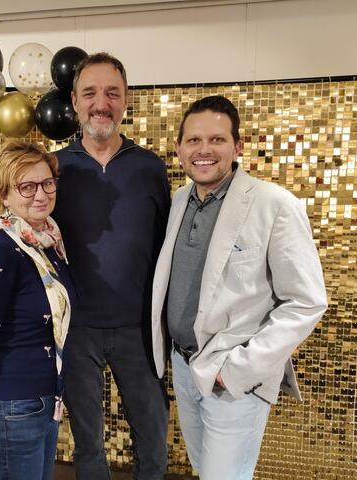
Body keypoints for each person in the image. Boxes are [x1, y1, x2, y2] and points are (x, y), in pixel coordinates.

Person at [151, 95, 328, 480]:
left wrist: (238, 369)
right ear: (179, 149)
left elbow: (307, 302)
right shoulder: (179, 201)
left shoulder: (275, 205)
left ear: (238, 147)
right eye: (194, 140)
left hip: (231, 375)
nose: (204, 150)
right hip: (183, 365)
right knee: (204, 469)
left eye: (217, 139)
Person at [52, 52, 170, 480]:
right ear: (74, 101)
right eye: (90, 93)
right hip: (77, 329)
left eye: (112, 93)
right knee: (88, 447)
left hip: (139, 329)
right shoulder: (55, 169)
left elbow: (164, 247)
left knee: (153, 443)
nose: (101, 103)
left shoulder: (150, 167)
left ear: (125, 100)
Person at [0, 140, 75, 480]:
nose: (41, 195)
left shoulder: (47, 242)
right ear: (4, 195)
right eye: (26, 186)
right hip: (13, 410)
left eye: (47, 183)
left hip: (44, 403)